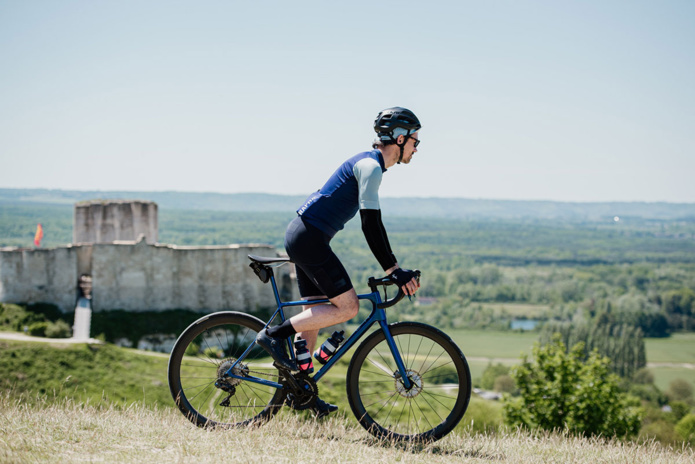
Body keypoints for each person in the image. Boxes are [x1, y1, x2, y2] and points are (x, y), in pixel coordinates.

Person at [256, 107, 422, 417]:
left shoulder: (370, 165)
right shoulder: (371, 167)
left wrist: (393, 268)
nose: (417, 147)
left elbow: (375, 225)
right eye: (415, 140)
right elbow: (371, 224)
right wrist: (394, 269)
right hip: (309, 238)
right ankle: (273, 335)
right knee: (348, 307)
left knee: (315, 317)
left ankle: (301, 391)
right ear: (399, 139)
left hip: (305, 235)